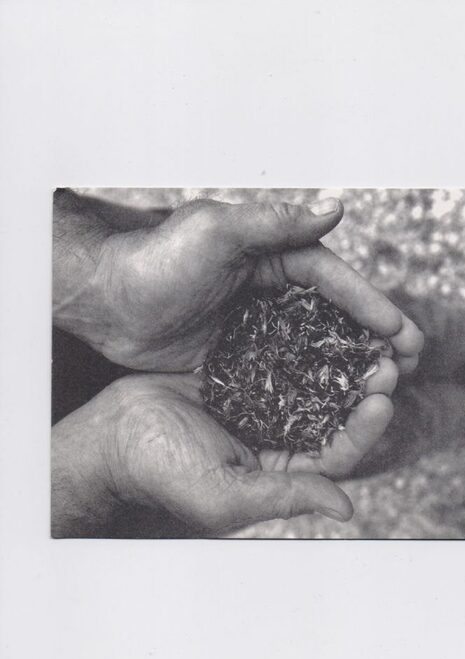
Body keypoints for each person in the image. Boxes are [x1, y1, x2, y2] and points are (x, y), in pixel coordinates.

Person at [51, 190, 425, 537]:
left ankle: (449, 345)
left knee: (384, 324)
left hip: (165, 297)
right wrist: (108, 461)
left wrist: (103, 276)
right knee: (387, 431)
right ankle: (446, 417)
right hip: (108, 485)